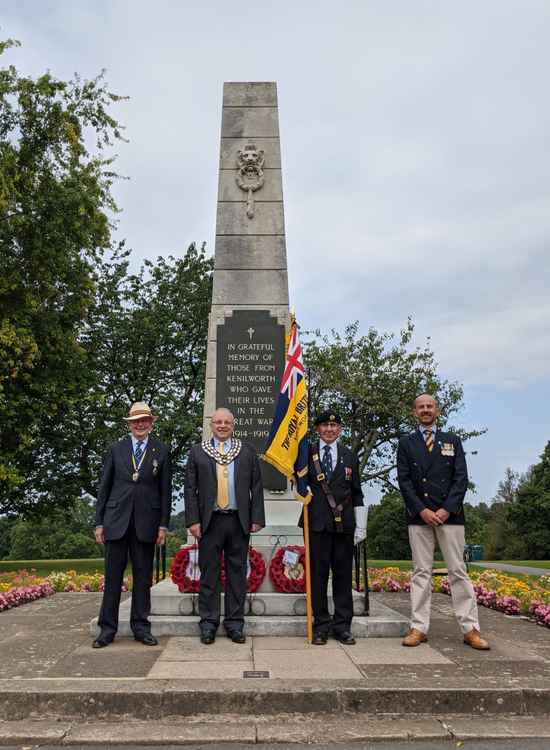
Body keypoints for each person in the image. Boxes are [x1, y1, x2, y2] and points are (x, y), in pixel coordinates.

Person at [397, 393, 490, 650]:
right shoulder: (406, 443)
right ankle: (418, 627)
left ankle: (470, 628)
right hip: (419, 517)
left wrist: (446, 509)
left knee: (458, 571)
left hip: (451, 517)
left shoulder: (453, 441)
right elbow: (404, 481)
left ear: (437, 410)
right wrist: (423, 510)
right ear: (414, 412)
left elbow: (461, 478)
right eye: (421, 407)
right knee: (421, 572)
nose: (426, 410)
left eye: (430, 406)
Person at [93, 402, 172, 648]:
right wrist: (99, 523)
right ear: (129, 424)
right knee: (113, 578)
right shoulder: (116, 449)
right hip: (116, 522)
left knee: (142, 579)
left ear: (151, 422)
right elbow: (104, 488)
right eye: (136, 420)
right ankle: (107, 629)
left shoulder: (162, 450)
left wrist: (163, 526)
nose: (140, 424)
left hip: (146, 523)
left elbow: (165, 491)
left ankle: (140, 627)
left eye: (144, 420)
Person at [185, 408, 265, 644]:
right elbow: (190, 489)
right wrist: (192, 520)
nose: (222, 425)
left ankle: (234, 623)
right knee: (209, 574)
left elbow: (257, 486)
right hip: (210, 522)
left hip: (238, 519)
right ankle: (208, 623)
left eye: (226, 422)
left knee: (237, 574)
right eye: (218, 422)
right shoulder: (198, 452)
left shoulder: (246, 451)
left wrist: (257, 518)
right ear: (211, 425)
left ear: (233, 425)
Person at [301, 411, 366, 645]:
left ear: (340, 429)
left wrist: (361, 525)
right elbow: (297, 481)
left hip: (344, 525)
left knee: (342, 577)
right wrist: (301, 490)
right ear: (317, 429)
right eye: (325, 425)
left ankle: (342, 626)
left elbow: (357, 491)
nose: (329, 429)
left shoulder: (350, 456)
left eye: (334, 425)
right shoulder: (306, 453)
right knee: (317, 578)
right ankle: (320, 626)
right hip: (316, 523)